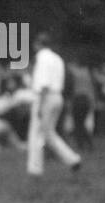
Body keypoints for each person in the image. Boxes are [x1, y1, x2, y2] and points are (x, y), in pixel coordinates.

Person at [27, 30, 82, 176]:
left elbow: (43, 83)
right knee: (49, 133)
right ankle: (72, 159)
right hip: (58, 96)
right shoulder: (57, 58)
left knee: (37, 134)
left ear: (38, 44)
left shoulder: (41, 58)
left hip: (45, 96)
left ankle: (35, 169)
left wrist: (41, 105)